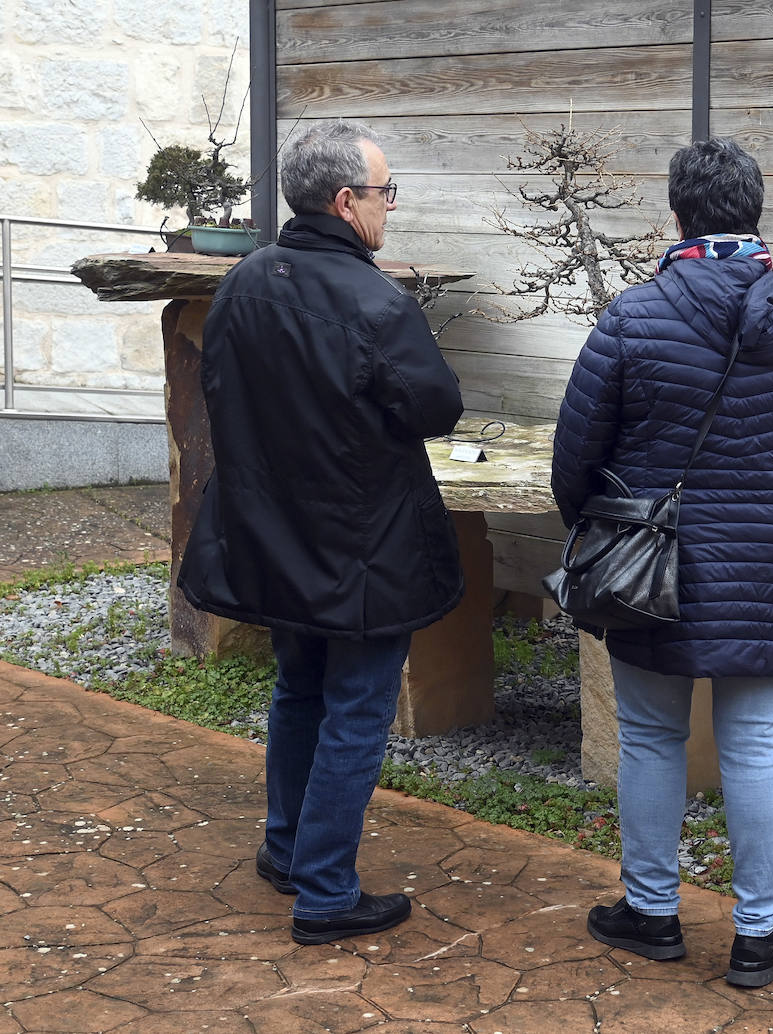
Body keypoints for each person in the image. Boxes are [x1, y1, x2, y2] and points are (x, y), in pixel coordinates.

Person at [550, 137, 773, 987]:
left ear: (678, 213)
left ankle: (652, 914)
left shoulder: (633, 317)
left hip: (653, 573)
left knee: (653, 741)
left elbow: (572, 461)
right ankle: (761, 935)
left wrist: (606, 528)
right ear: (756, 211)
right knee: (760, 750)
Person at [177, 119, 465, 945]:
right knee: (355, 710)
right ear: (346, 201)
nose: (391, 206)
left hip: (271, 539)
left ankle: (287, 851)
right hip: (364, 550)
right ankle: (327, 894)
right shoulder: (376, 300)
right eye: (384, 192)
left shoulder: (242, 283)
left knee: (300, 689)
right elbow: (437, 408)